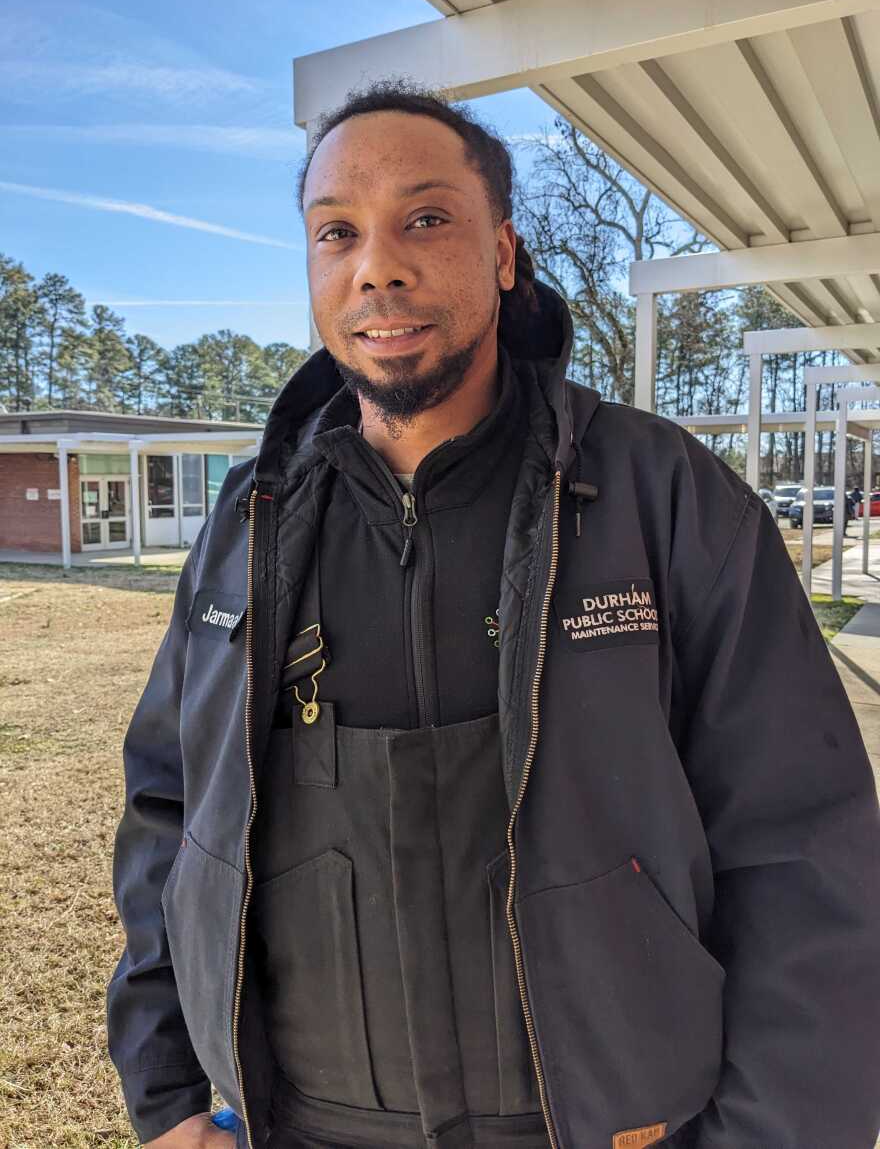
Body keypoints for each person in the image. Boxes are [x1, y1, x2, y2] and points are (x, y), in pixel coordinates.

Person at [106, 78, 880, 1149]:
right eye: (337, 233)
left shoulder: (663, 500)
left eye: (425, 219)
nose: (376, 264)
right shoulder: (249, 522)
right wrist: (168, 1093)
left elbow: (805, 853)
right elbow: (167, 811)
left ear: (504, 255)